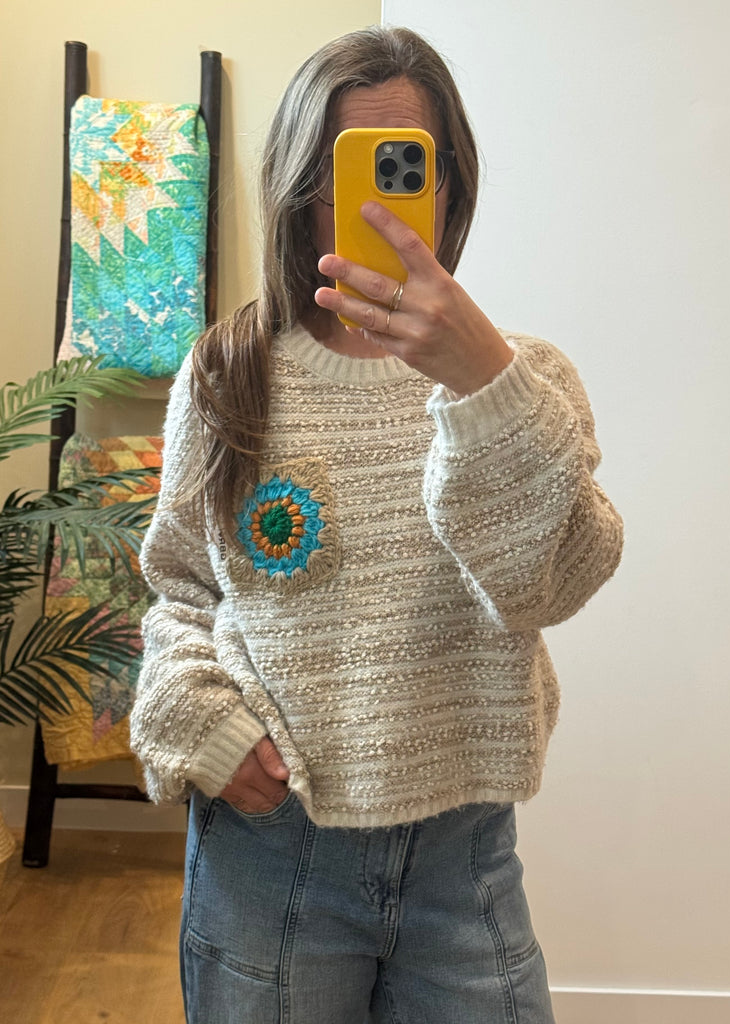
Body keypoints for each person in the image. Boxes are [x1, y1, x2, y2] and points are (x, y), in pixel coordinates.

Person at [130, 24, 623, 1024]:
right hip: (272, 850)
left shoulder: (525, 380)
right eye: (340, 169)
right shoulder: (229, 375)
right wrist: (199, 717)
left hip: (465, 859)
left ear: (450, 185)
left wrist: (485, 385)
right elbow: (180, 589)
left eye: (403, 167)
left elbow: (554, 582)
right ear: (294, 185)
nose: (367, 205)